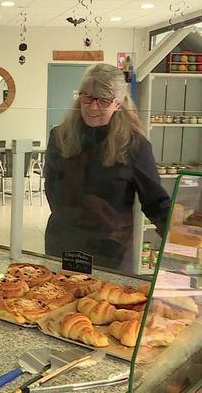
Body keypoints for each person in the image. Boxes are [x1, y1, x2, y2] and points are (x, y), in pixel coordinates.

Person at [44, 63, 170, 272]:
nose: (93, 107)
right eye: (88, 98)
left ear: (118, 104)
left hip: (110, 250)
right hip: (63, 242)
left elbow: (156, 201)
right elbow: (51, 188)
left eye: (103, 100)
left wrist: (180, 239)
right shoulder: (60, 136)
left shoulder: (134, 145)